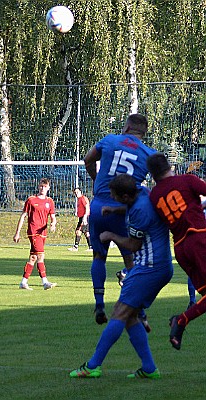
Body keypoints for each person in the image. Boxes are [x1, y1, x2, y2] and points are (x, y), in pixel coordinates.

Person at [70, 174, 173, 379]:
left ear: (125, 195)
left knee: (119, 312)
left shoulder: (140, 212)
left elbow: (133, 245)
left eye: (115, 197)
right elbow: (128, 207)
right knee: (130, 317)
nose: (113, 199)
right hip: (158, 265)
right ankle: (149, 368)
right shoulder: (142, 193)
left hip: (149, 268)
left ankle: (93, 366)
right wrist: (114, 210)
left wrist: (110, 235)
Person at [84, 113, 156, 324]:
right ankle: (139, 311)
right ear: (144, 133)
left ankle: (99, 305)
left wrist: (97, 181)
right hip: (126, 212)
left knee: (98, 256)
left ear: (126, 127)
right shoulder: (148, 154)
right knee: (131, 261)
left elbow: (88, 159)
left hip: (99, 206)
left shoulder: (109, 140)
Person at [147, 152, 206, 350]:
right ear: (169, 166)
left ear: (153, 175)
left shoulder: (154, 195)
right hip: (198, 238)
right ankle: (181, 320)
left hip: (180, 248)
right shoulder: (187, 180)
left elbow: (180, 208)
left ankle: (180, 321)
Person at [14, 178, 57, 290]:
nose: (43, 188)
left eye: (45, 187)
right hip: (33, 232)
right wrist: (17, 233)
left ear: (48, 188)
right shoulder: (31, 200)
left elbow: (53, 217)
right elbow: (23, 216)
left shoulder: (50, 201)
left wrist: (53, 224)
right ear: (39, 187)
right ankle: (45, 282)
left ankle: (23, 282)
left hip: (43, 232)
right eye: (41, 186)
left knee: (33, 257)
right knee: (41, 255)